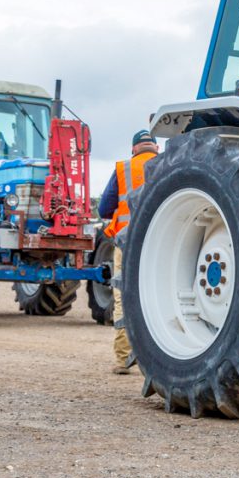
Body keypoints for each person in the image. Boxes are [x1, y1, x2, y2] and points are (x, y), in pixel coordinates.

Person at [99, 129, 159, 375]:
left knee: (124, 298)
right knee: (156, 297)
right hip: (158, 243)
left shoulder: (123, 169)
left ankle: (124, 358)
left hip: (127, 242)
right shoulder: (166, 165)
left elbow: (104, 208)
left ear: (134, 148)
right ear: (156, 148)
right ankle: (156, 360)